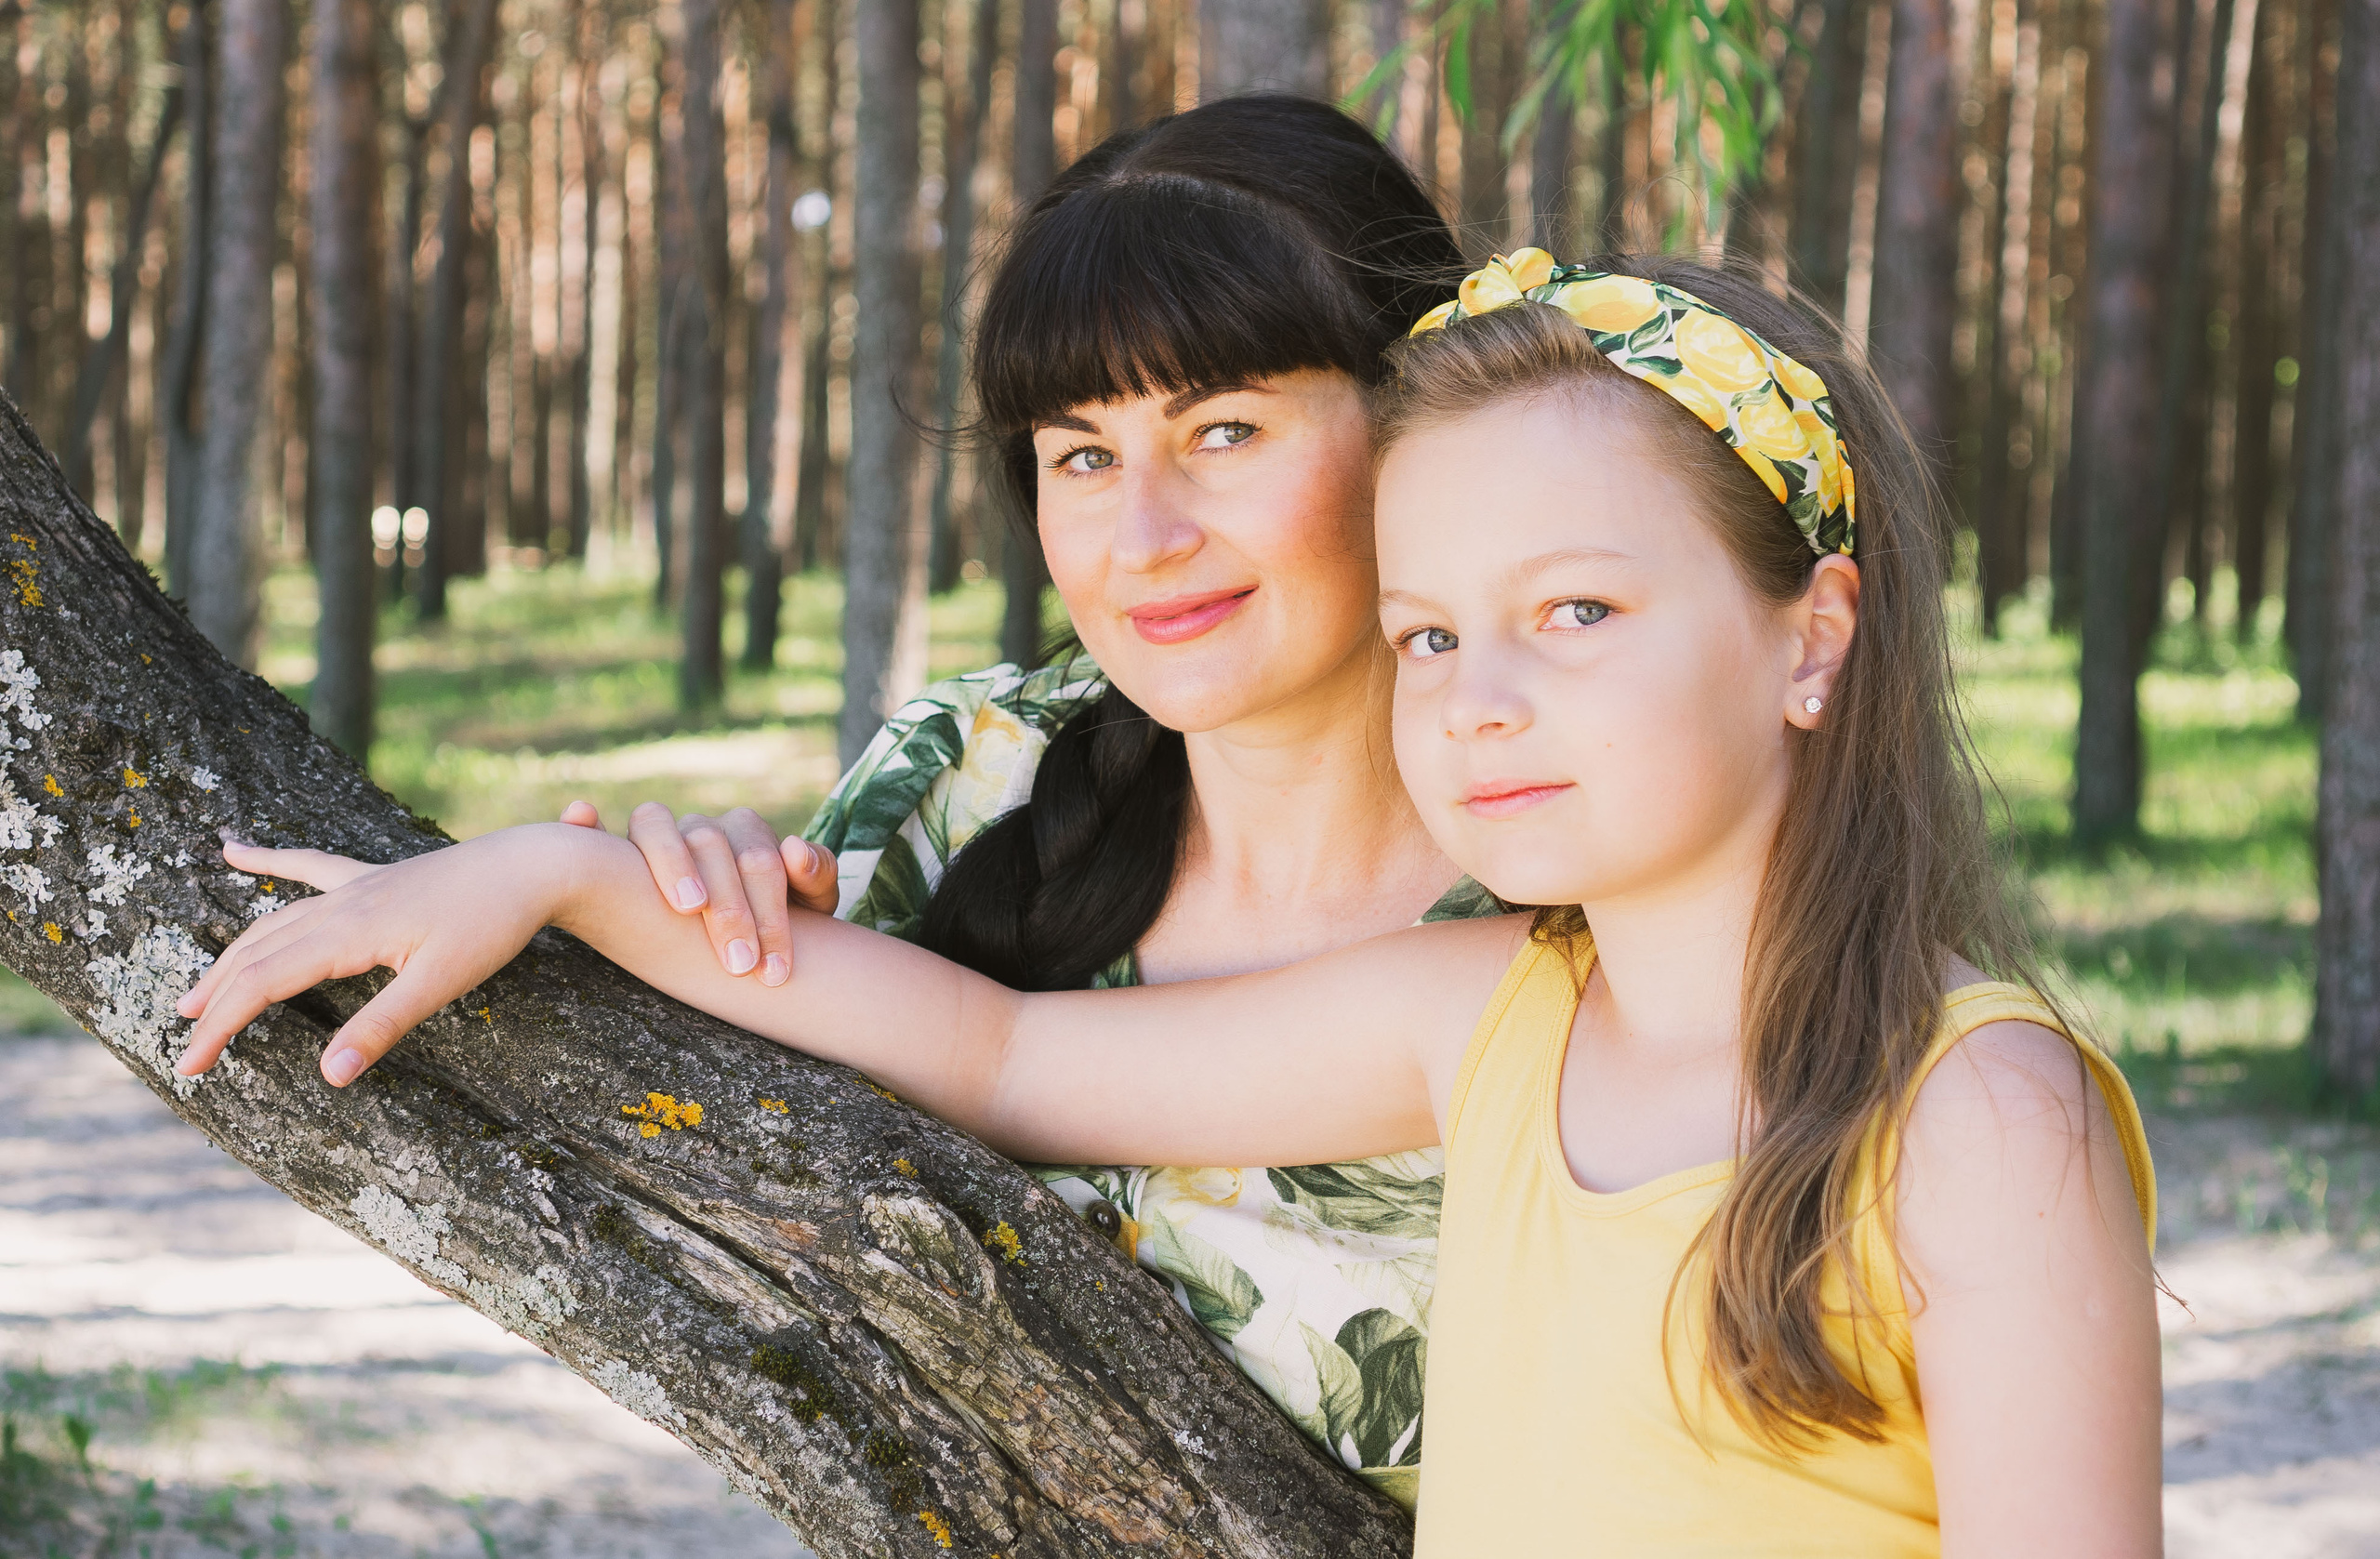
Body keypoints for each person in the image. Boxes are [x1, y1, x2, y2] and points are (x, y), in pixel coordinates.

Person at [176, 251, 2163, 1554]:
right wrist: (564, 871)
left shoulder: (1974, 1114)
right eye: (1427, 630)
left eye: (1577, 611)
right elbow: (1010, 1046)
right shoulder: (1491, 1011)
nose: (1478, 693)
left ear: (1808, 636)